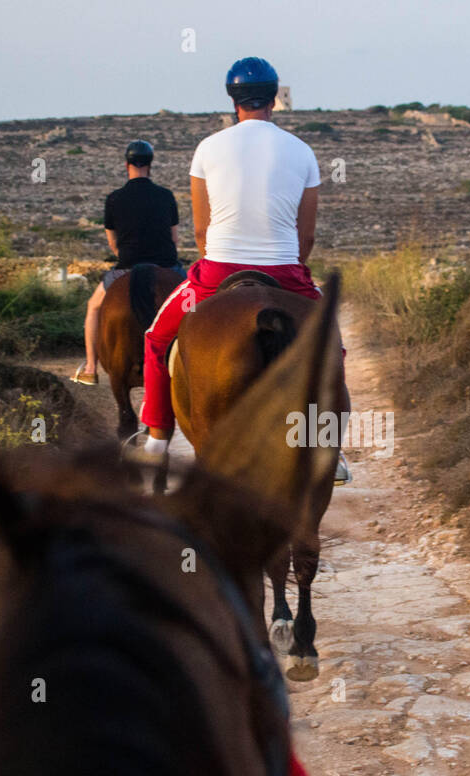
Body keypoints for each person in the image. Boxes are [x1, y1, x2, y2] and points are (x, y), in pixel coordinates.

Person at [139, 57, 350, 483]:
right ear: (274, 98)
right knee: (332, 347)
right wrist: (287, 266)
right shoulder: (303, 152)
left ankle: (157, 441)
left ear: (232, 101)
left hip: (217, 271)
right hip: (287, 272)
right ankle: (330, 449)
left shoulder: (207, 149)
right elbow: (305, 238)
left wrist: (218, 260)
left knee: (157, 338)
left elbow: (200, 230)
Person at [72, 140, 184, 385]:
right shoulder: (165, 196)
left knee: (93, 307)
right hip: (167, 266)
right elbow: (174, 239)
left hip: (126, 268)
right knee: (197, 306)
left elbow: (113, 244)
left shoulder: (114, 199)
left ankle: (91, 367)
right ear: (150, 165)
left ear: (126, 165)